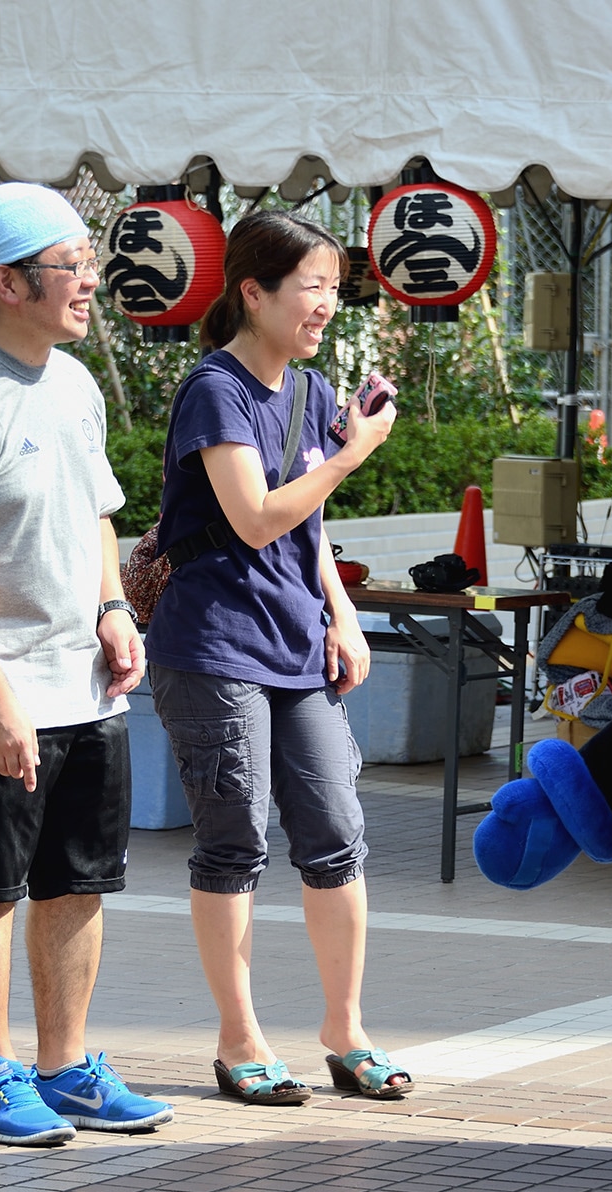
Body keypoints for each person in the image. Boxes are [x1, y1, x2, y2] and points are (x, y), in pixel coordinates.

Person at [0, 183, 172, 1146]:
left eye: (89, 262)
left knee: (80, 881)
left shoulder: (73, 383)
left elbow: (99, 512)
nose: (91, 280)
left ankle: (67, 1069)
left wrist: (111, 607)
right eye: (72, 265)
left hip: (86, 688)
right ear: (6, 281)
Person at [146, 209, 406, 1105]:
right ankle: (239, 1038)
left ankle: (346, 1031)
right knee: (235, 841)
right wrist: (354, 454)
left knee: (336, 833)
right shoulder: (215, 390)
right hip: (215, 648)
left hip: (299, 645)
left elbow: (310, 530)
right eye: (312, 286)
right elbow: (257, 516)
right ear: (253, 293)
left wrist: (342, 614)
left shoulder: (311, 389)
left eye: (335, 287)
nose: (327, 303)